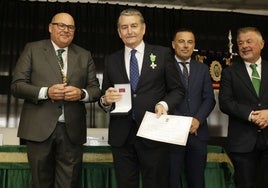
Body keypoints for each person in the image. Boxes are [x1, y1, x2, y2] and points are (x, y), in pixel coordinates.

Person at [11, 12, 101, 188]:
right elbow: (17, 86)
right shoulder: (33, 49)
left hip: (72, 132)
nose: (66, 30)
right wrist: (46, 92)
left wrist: (82, 94)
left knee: (68, 183)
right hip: (39, 130)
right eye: (61, 25)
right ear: (50, 27)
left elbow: (95, 90)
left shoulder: (84, 55)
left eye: (70, 27)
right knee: (40, 183)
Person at [99, 8, 185, 188]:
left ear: (143, 28)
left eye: (133, 26)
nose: (129, 31)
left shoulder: (162, 54)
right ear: (118, 32)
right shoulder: (111, 60)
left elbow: (177, 90)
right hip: (121, 136)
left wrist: (164, 104)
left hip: (153, 133)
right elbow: (103, 96)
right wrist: (106, 100)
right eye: (124, 27)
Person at [219, 27, 268, 188]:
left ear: (261, 44)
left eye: (249, 41)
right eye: (240, 43)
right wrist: (251, 115)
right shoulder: (230, 73)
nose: (244, 46)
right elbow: (225, 102)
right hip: (242, 144)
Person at [169, 28, 216, 188]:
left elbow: (209, 99)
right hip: (171, 134)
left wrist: (197, 120)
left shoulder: (202, 69)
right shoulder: (164, 67)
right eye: (181, 41)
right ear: (174, 44)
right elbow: (161, 98)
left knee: (197, 182)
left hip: (198, 134)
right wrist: (182, 123)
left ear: (194, 45)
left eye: (190, 42)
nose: (185, 46)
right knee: (171, 181)